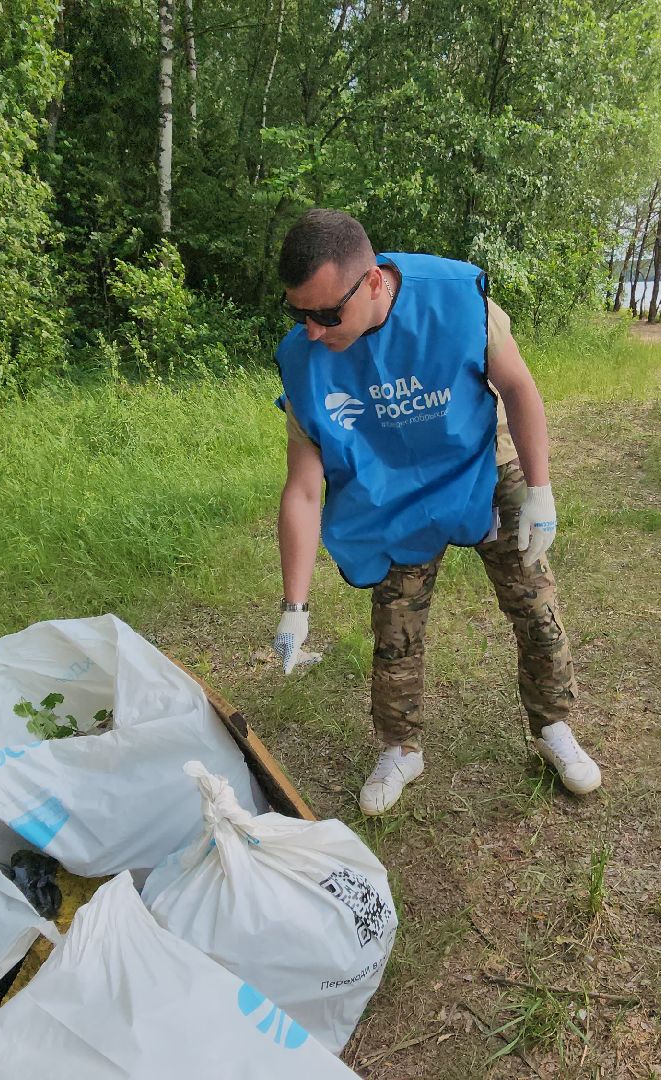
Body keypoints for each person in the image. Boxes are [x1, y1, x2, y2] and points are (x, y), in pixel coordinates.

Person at [268, 209, 601, 816]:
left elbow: (520, 389)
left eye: (324, 314)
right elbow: (302, 489)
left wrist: (541, 491)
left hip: (479, 464)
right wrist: (295, 606)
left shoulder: (459, 302)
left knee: (534, 599)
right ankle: (401, 747)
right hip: (391, 488)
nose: (312, 331)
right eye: (299, 314)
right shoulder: (304, 359)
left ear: (372, 282)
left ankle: (552, 727)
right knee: (395, 628)